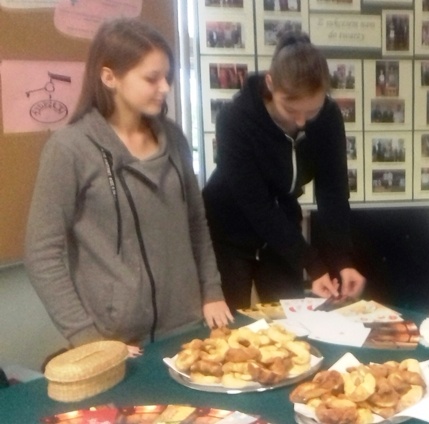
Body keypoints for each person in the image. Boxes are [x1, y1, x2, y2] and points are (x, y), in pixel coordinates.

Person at [24, 19, 233, 354]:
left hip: (187, 326)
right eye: (151, 78)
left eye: (167, 77)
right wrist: (88, 339)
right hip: (116, 340)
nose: (164, 88)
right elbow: (41, 253)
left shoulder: (174, 139)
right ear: (109, 78)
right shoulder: (69, 148)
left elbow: (196, 222)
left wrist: (211, 291)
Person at [203, 32, 366, 310]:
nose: (301, 122)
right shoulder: (235, 118)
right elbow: (256, 204)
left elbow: (333, 191)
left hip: (282, 229)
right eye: (290, 109)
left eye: (311, 111)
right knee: (232, 325)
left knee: (291, 321)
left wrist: (342, 260)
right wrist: (312, 262)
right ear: (270, 83)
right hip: (229, 230)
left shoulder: (328, 117)